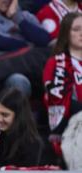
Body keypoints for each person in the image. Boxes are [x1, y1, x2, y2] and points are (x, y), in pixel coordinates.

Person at [43, 12, 82, 155]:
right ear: (66, 33)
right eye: (76, 29)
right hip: (69, 132)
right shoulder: (56, 63)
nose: (81, 33)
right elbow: (57, 102)